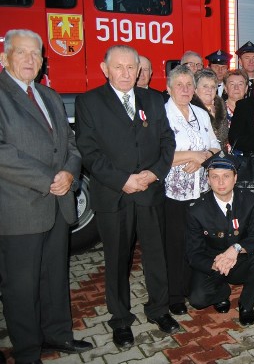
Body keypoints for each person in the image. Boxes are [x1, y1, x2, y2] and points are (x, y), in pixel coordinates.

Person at [75, 45, 179, 347]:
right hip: (114, 195)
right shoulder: (89, 101)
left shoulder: (152, 99)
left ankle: (159, 309)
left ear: (139, 70)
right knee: (117, 260)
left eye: (131, 67)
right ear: (105, 69)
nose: (125, 73)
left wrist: (154, 173)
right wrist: (123, 180)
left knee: (156, 256)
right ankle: (120, 319)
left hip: (149, 192)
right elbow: (88, 151)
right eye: (118, 67)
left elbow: (166, 141)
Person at [0, 29, 93, 362]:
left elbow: (71, 143)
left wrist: (69, 172)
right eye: (22, 53)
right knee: (21, 287)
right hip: (20, 207)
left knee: (55, 277)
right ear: (4, 57)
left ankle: (58, 335)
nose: (30, 59)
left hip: (58, 203)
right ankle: (27, 351)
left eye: (36, 54)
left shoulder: (48, 95)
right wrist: (48, 179)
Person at [186, 151, 254, 325]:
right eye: (215, 177)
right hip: (214, 264)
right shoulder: (196, 210)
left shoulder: (251, 199)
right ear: (208, 180)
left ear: (235, 178)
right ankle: (222, 293)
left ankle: (247, 305)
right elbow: (193, 253)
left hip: (240, 259)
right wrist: (216, 264)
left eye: (226, 176)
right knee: (198, 300)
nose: (220, 182)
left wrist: (235, 249)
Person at [163, 65, 220, 316]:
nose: (185, 90)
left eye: (189, 85)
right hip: (173, 194)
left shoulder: (200, 113)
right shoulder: (161, 114)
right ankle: (174, 295)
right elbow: (159, 155)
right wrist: (192, 155)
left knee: (200, 243)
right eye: (179, 85)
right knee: (175, 245)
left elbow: (216, 147)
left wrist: (202, 157)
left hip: (202, 192)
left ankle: (197, 287)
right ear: (168, 88)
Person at [194, 68, 229, 149]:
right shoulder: (191, 108)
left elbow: (224, 136)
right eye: (205, 86)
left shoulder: (221, 105)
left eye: (213, 87)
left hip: (220, 155)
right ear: (195, 89)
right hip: (200, 154)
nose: (209, 90)